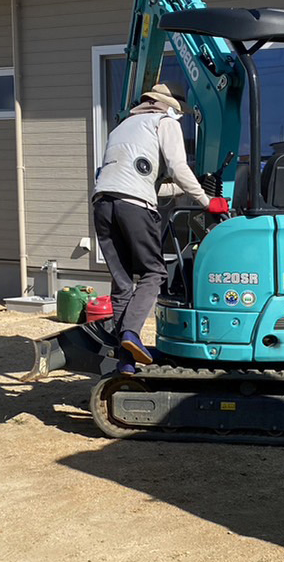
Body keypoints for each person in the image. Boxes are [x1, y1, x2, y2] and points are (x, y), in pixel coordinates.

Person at [91, 83, 229, 371]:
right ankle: (130, 333)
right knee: (153, 272)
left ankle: (125, 362)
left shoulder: (121, 128)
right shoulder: (163, 121)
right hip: (134, 208)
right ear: (171, 106)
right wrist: (206, 200)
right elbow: (178, 167)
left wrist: (181, 190)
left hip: (103, 204)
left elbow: (140, 182)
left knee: (123, 283)